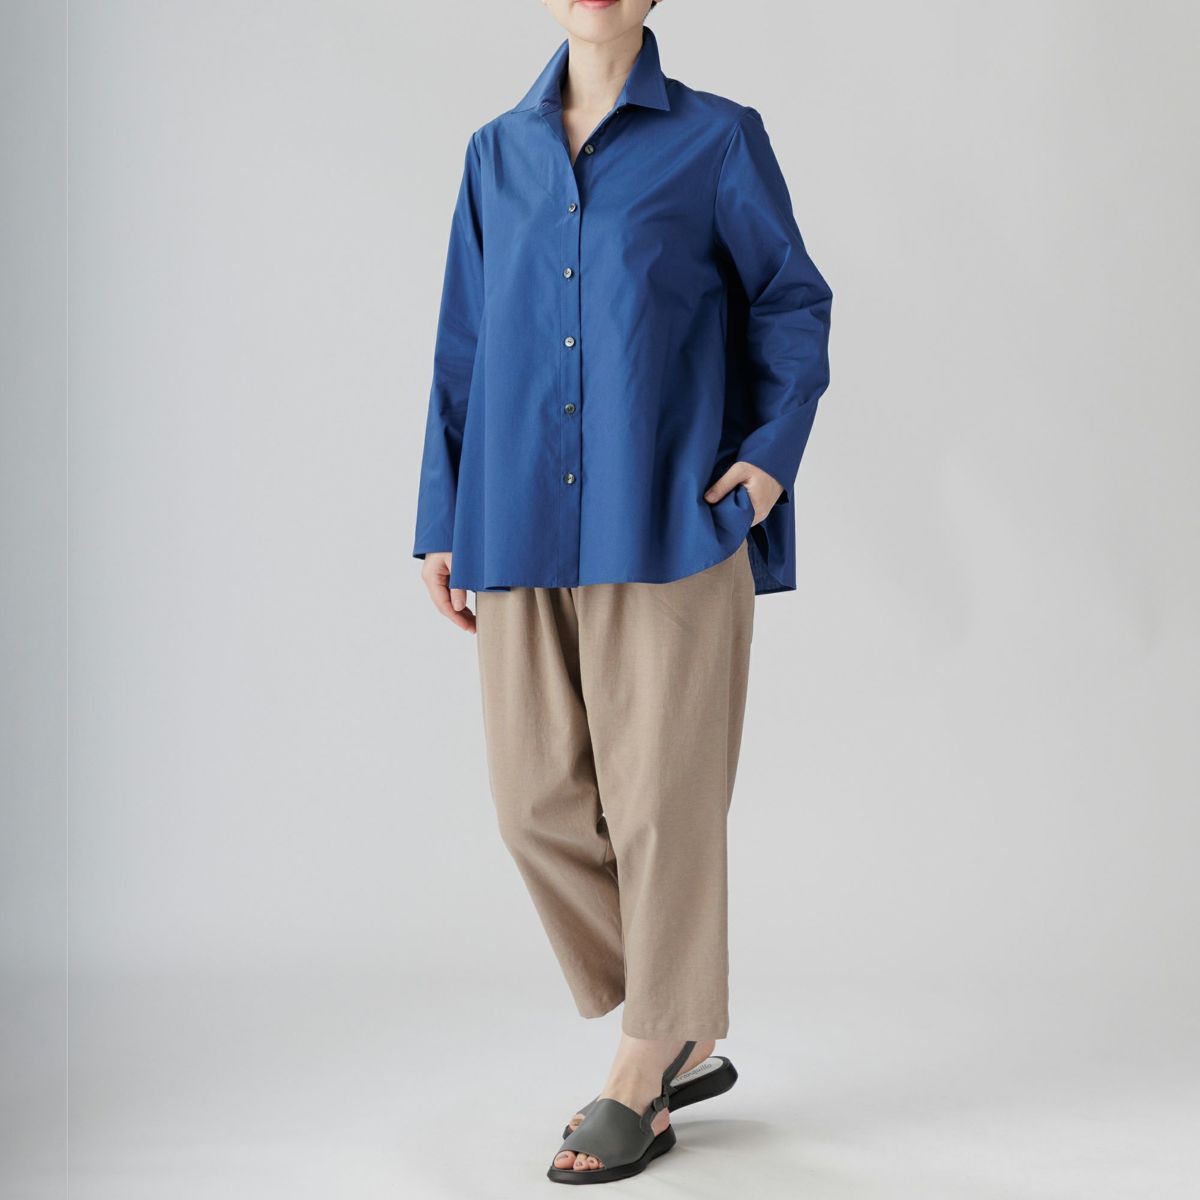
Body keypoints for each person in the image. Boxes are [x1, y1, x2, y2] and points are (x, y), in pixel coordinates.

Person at [413, 0, 831, 1183]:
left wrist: (767, 463)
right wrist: (441, 518)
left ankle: (644, 1069)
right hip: (514, 520)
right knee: (533, 805)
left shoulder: (718, 139)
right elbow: (462, 345)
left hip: (670, 520)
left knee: (661, 807)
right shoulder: (495, 155)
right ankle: (679, 1014)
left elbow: (793, 300)